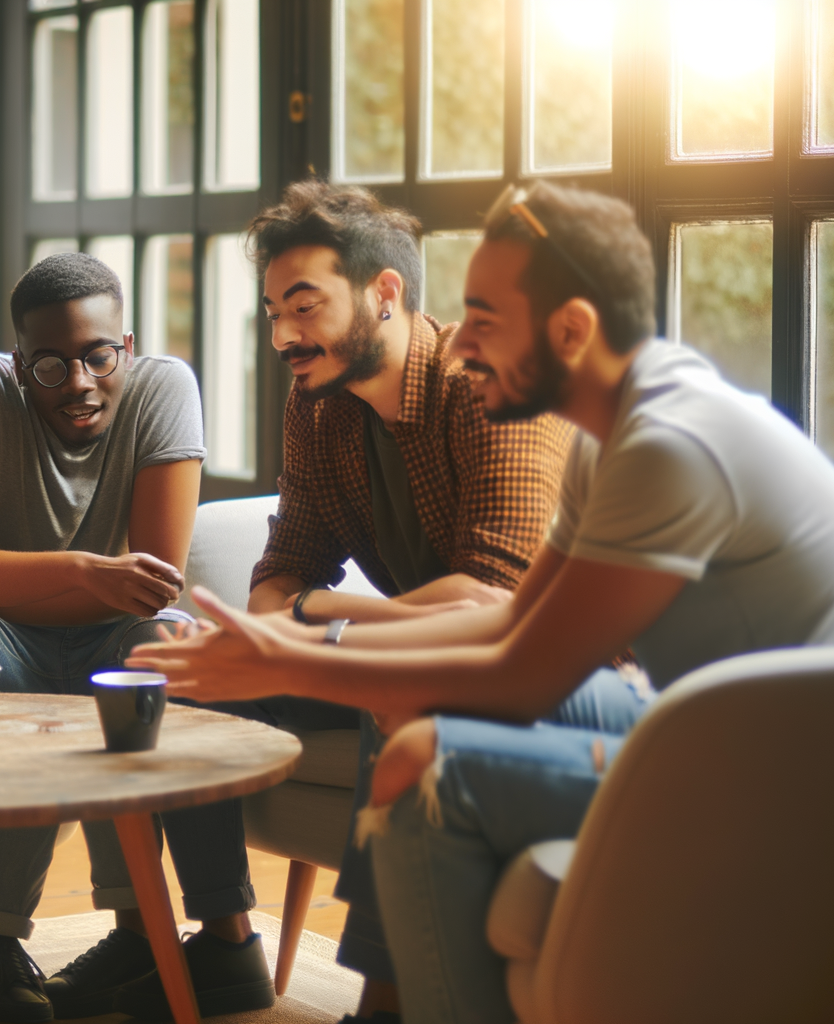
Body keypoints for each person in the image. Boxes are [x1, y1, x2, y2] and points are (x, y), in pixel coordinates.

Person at [129, 180, 834, 1024]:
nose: (461, 342)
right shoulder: (612, 437)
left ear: (572, 331)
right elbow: (509, 623)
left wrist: (294, 647)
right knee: (402, 724)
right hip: (698, 727)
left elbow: (515, 661)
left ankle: (389, 1003)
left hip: (792, 773)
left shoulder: (667, 444)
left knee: (426, 765)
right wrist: (292, 644)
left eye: (484, 319)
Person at [240, 181, 615, 1022]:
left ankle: (385, 996)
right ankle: (219, 942)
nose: (283, 337)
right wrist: (286, 624)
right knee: (164, 658)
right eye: (272, 312)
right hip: (403, 642)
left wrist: (316, 626)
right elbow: (286, 563)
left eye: (305, 307)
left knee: (397, 666)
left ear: (385, 292)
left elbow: (496, 592)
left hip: (544, 665)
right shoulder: (317, 405)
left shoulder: (484, 389)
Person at [0, 252, 263, 1024]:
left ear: (124, 344)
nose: (83, 383)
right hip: (0, 636)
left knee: (166, 649)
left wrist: (86, 586)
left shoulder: (165, 387)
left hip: (115, 638)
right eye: (52, 367)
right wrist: (84, 572)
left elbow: (152, 581)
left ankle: (224, 940)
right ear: (18, 362)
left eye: (100, 356)